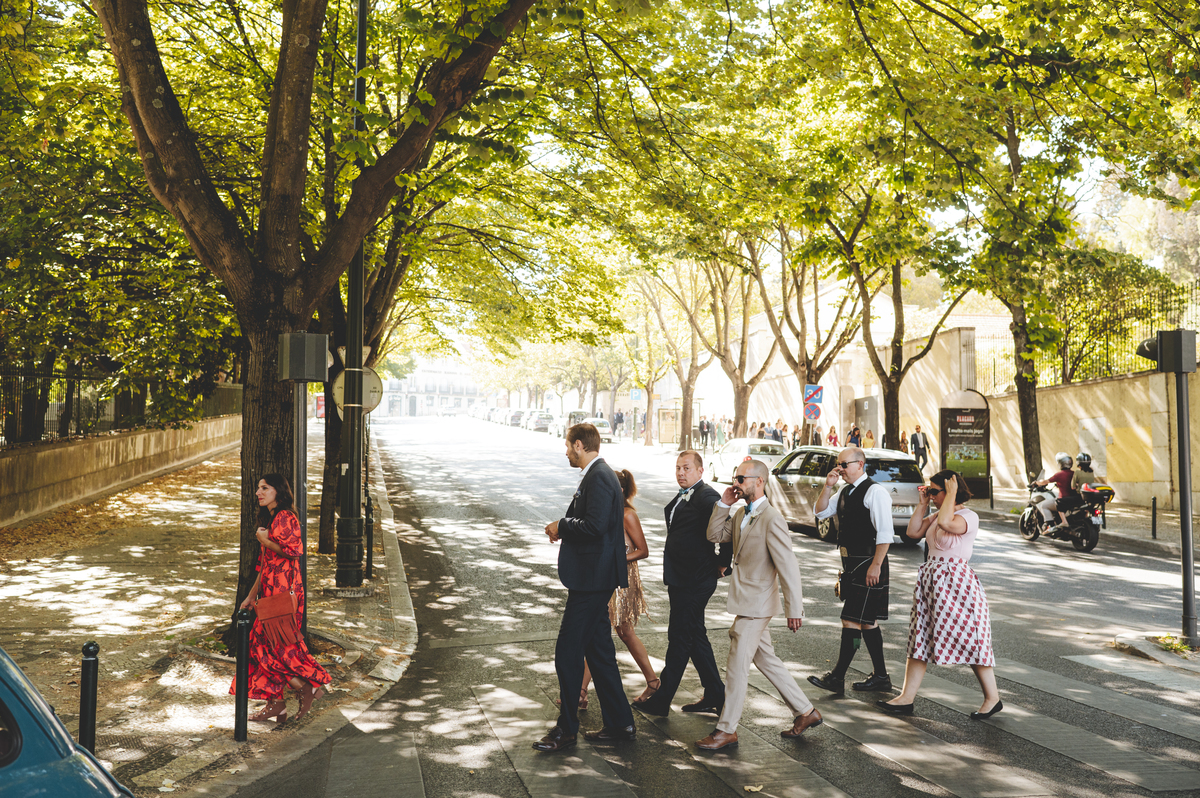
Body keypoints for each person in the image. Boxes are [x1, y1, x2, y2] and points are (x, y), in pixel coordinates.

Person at [695, 459, 822, 750]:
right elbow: (714, 535)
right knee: (766, 659)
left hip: (758, 604)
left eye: (741, 479)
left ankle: (726, 729)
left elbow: (788, 566)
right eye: (735, 477)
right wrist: (724, 504)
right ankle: (806, 712)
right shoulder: (741, 513)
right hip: (746, 600)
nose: (736, 483)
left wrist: (794, 609)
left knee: (736, 668)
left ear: (759, 481)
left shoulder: (771, 518)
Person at [535, 423, 636, 752]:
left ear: (579, 445)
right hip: (596, 576)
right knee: (600, 652)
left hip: (593, 579)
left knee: (567, 652)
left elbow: (594, 526)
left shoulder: (598, 476)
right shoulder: (600, 474)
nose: (566, 452)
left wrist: (561, 525)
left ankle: (566, 729)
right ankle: (621, 723)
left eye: (567, 446)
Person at [880, 470, 1001, 718]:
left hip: (958, 585)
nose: (931, 495)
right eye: (929, 491)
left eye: (934, 491)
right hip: (932, 582)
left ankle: (992, 698)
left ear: (950, 491)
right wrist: (922, 504)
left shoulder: (969, 516)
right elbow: (912, 533)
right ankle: (906, 697)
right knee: (920, 637)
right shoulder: (936, 514)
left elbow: (948, 524)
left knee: (971, 639)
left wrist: (951, 495)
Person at [634, 452, 729, 717]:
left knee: (679, 637)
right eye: (677, 468)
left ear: (700, 471)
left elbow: (727, 525)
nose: (680, 473)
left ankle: (662, 699)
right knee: (694, 635)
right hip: (682, 577)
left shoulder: (706, 496)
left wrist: (724, 561)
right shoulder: (685, 493)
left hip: (696, 579)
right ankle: (715, 694)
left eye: (686, 468)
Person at [230, 474, 330, 723]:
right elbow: (264, 565)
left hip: (284, 594)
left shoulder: (286, 516)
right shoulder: (273, 518)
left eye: (265, 488)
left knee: (277, 649)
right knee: (260, 645)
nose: (258, 492)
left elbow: (294, 551)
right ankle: (277, 704)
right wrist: (251, 596)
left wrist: (264, 540)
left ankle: (305, 686)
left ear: (279, 491)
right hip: (270, 593)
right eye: (258, 488)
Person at [808, 447, 894, 695]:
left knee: (851, 620)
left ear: (860, 464)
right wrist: (828, 486)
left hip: (869, 563)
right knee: (867, 623)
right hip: (852, 565)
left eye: (844, 464)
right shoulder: (845, 491)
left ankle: (837, 676)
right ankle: (880, 676)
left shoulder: (875, 492)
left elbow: (885, 533)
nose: (840, 469)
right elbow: (821, 512)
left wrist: (876, 565)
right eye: (838, 464)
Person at [574, 469, 658, 708]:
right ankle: (652, 683)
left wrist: (616, 560)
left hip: (622, 578)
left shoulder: (627, 515)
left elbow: (643, 550)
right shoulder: (607, 512)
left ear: (618, 490)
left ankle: (580, 692)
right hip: (607, 576)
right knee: (618, 632)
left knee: (610, 631)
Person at [1035, 452, 1076, 529]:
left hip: (1063, 500)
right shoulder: (1074, 473)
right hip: (1073, 500)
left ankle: (1050, 524)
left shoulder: (1059, 475)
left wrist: (1036, 482)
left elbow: (1045, 482)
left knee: (1044, 505)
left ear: (1060, 464)